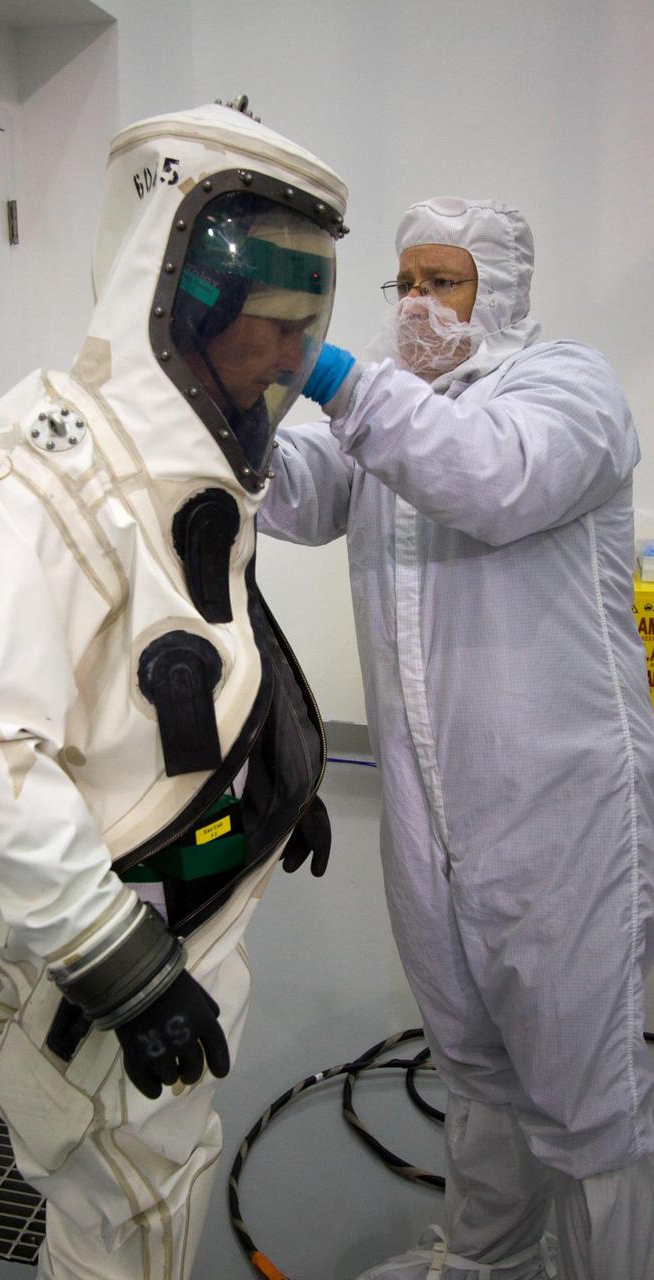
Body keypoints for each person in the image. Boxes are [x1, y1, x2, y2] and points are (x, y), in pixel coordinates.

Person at [0, 100, 346, 1280]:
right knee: (127, 1217)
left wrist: (272, 774)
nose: (292, 355)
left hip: (194, 914)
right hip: (115, 949)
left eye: (305, 320)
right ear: (186, 298)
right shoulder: (34, 471)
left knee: (164, 1177)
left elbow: (198, 651)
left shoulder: (186, 455)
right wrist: (113, 961)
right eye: (273, 322)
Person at [260, 196, 654, 1280]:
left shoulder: (562, 389)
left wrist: (333, 373)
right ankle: (489, 1257)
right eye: (407, 284)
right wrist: (224, 420)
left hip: (560, 805)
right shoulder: (393, 414)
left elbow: (489, 477)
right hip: (432, 808)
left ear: (503, 290)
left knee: (585, 1088)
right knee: (473, 1056)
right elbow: (300, 488)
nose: (419, 306)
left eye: (446, 282)